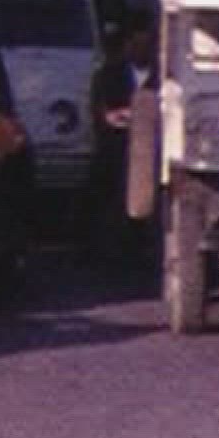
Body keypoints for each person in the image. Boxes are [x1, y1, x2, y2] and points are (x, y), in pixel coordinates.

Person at [89, 17, 155, 263]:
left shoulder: (164, 77)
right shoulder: (108, 75)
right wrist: (115, 116)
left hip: (152, 151)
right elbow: (100, 112)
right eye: (135, 44)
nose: (141, 50)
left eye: (146, 44)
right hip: (116, 150)